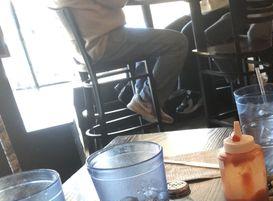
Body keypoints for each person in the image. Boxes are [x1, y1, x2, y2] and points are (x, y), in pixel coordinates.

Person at [52, 0, 188, 124]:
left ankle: (140, 96)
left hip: (85, 49)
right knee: (177, 42)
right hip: (105, 42)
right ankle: (147, 101)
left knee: (153, 42)